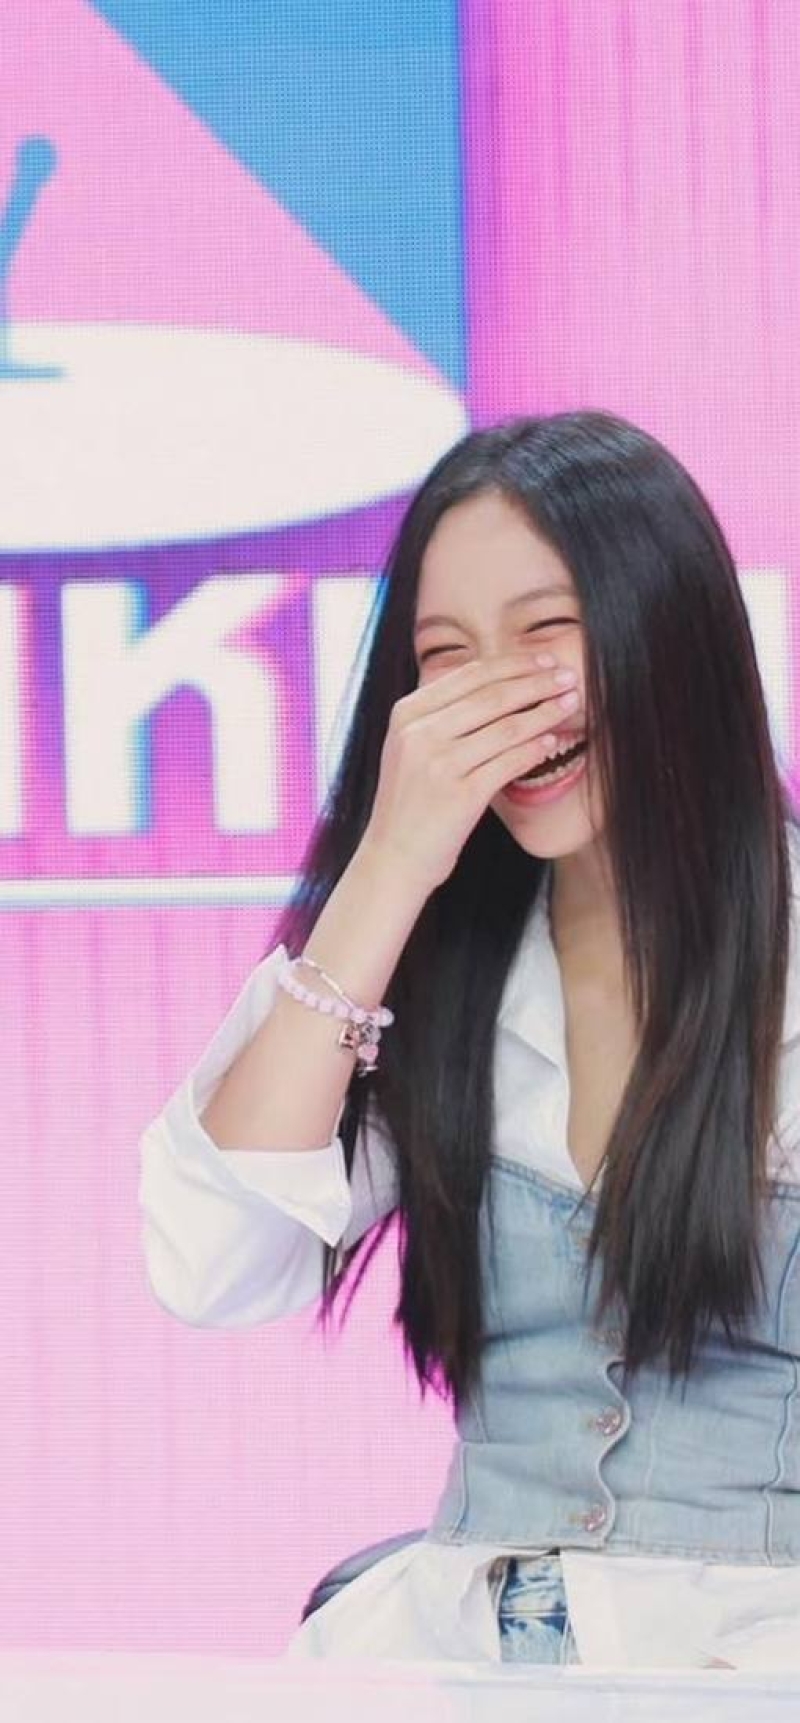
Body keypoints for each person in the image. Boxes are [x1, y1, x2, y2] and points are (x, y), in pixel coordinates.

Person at [138, 411, 800, 1669]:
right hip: (456, 1653)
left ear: (671, 629)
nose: (495, 695)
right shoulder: (436, 970)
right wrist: (387, 867)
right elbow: (211, 1259)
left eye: (547, 632)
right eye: (446, 656)